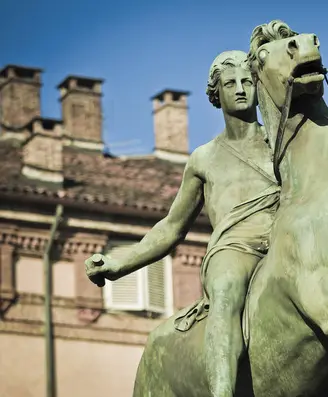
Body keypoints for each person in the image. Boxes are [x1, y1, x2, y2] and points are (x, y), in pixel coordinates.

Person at [85, 50, 279, 397]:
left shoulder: (279, 143)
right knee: (226, 289)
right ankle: (223, 392)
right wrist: (119, 262)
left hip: (284, 239)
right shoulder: (204, 158)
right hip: (235, 250)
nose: (240, 89)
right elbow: (173, 227)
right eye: (230, 83)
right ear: (215, 93)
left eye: (248, 82)